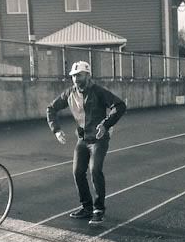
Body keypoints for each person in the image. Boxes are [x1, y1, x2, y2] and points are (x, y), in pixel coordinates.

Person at [46, 61, 126, 225]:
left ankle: (99, 209)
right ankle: (87, 207)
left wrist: (106, 124)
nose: (76, 79)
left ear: (88, 76)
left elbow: (119, 106)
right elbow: (51, 109)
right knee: (77, 172)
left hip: (98, 139)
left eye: (79, 75)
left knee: (95, 170)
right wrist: (56, 130)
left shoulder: (98, 92)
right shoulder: (69, 93)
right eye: (74, 76)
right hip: (82, 140)